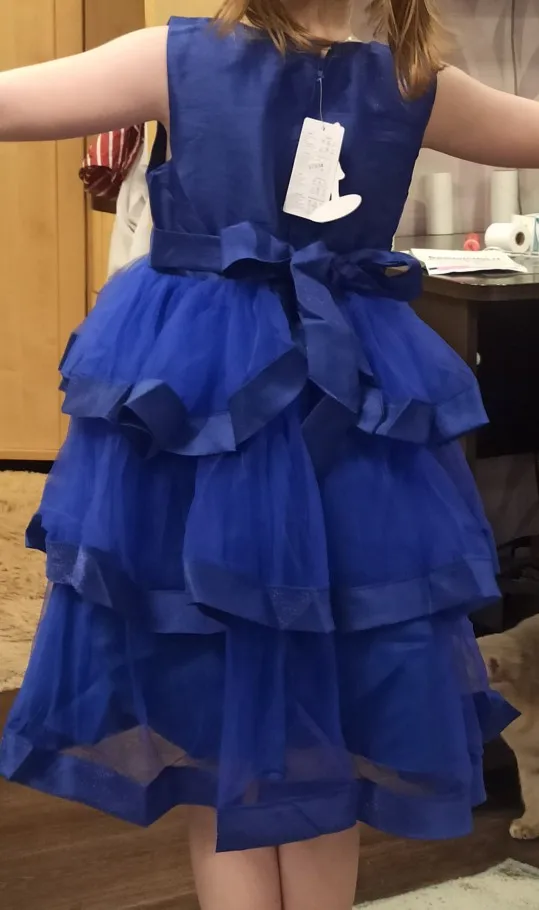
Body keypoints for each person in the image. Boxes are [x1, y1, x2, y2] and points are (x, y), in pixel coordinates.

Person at [0, 1, 536, 908]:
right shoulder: (400, 78)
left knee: (249, 718)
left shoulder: (196, 57)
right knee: (296, 710)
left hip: (256, 396)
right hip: (284, 405)